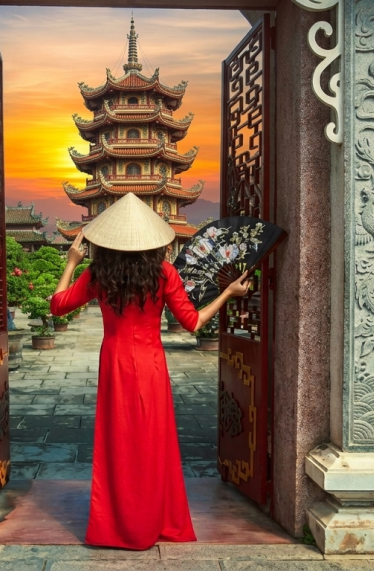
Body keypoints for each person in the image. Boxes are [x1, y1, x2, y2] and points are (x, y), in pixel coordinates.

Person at [50, 193, 251, 550]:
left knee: (118, 442)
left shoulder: (98, 274)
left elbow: (57, 307)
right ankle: (152, 519)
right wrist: (228, 293)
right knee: (151, 442)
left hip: (114, 362)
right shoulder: (165, 273)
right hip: (151, 365)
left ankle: (116, 523)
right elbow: (193, 322)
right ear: (153, 241)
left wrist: (71, 262)